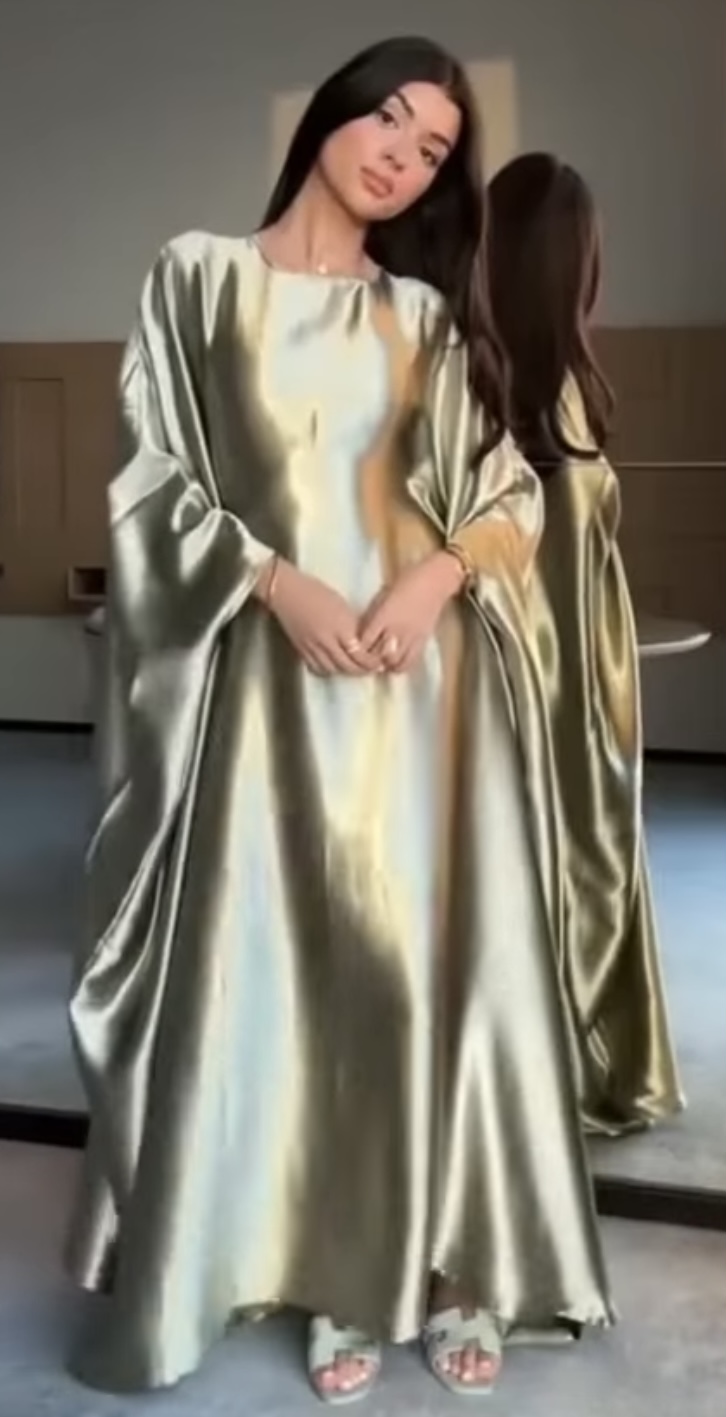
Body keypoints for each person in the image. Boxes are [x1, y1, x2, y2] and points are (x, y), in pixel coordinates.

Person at [66, 43, 614, 1403]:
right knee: (288, 978)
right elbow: (149, 482)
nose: (400, 158)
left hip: (419, 697)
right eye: (388, 120)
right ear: (330, 113)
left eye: (430, 152)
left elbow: (509, 494)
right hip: (265, 695)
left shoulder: (422, 316)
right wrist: (273, 580)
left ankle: (447, 1265)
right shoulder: (197, 277)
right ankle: (333, 1269)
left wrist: (433, 579)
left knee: (417, 973)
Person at [487, 151, 684, 1139]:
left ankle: (576, 1060)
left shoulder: (553, 383)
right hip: (548, 680)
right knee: (569, 863)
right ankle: (560, 1067)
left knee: (587, 859)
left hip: (582, 670)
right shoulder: (492, 391)